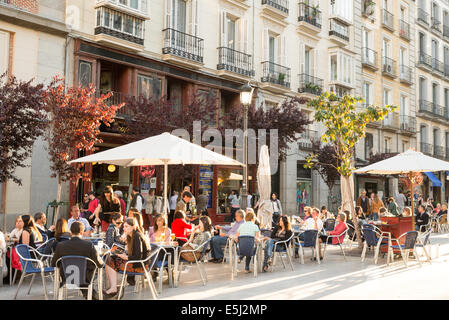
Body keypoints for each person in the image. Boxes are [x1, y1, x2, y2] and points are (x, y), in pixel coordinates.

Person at [51, 221, 104, 300]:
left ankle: (92, 295)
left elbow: (53, 263)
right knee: (91, 270)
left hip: (66, 277)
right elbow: (100, 264)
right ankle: (94, 296)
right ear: (82, 232)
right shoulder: (89, 245)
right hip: (85, 278)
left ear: (70, 232)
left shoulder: (60, 245)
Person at [104, 217, 151, 298]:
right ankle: (113, 287)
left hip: (139, 266)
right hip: (137, 262)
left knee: (109, 261)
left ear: (133, 227)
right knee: (110, 259)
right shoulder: (132, 235)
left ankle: (113, 288)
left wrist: (125, 257)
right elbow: (134, 253)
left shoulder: (137, 236)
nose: (124, 228)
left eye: (126, 226)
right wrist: (122, 253)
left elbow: (137, 256)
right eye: (123, 226)